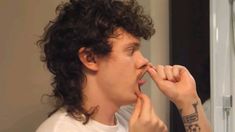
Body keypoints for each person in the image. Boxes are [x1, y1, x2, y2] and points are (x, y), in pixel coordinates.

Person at [36, 0, 211, 131]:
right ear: (90, 58)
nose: (144, 61)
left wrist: (189, 102)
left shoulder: (130, 117)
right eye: (130, 50)